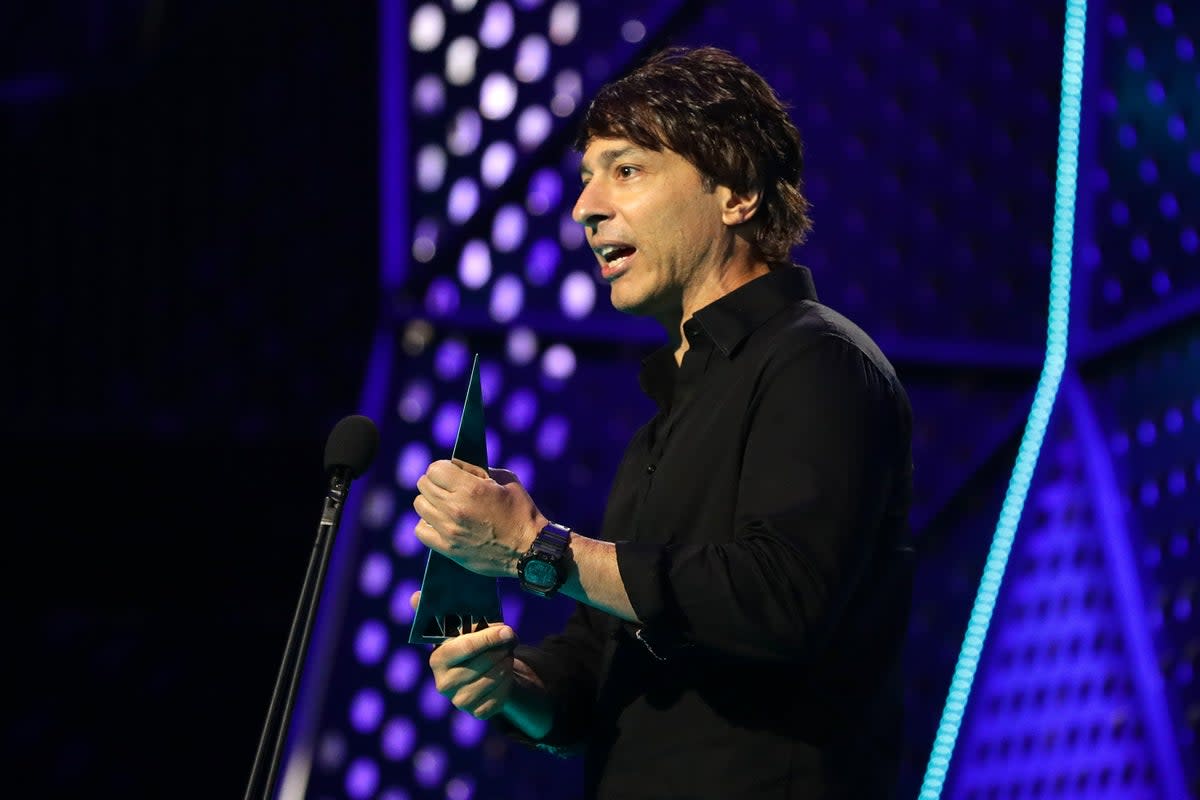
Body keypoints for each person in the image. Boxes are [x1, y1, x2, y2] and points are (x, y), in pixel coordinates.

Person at [411, 46, 914, 799]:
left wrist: (533, 547)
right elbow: (599, 672)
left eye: (627, 169)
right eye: (587, 177)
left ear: (736, 191)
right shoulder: (671, 410)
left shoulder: (819, 362)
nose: (584, 208)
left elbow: (778, 598)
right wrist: (510, 683)